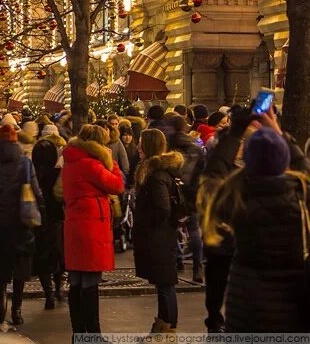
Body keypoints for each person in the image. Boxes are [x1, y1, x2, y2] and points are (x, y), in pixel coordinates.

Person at [203, 125, 310, 333]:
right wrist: (282, 134)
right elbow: (304, 170)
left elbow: (211, 179)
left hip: (247, 305)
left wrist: (233, 136)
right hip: (294, 304)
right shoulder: (300, 196)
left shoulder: (235, 196)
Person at [61, 124, 125, 334]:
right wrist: (112, 163)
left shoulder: (71, 161)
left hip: (75, 226)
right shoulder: (91, 165)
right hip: (91, 227)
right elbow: (117, 185)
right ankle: (93, 334)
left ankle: (78, 332)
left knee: (77, 281)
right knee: (89, 283)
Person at [0, 123, 42, 325]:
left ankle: (1, 302)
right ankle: (17, 309)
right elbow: (36, 191)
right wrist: (40, 213)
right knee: (20, 267)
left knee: (0, 265)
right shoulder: (25, 163)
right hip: (21, 221)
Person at [132, 129, 184, 335]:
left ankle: (167, 329)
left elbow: (162, 208)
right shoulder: (158, 172)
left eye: (141, 143)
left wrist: (146, 223)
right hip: (161, 235)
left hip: (158, 236)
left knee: (165, 284)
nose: (138, 147)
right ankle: (163, 326)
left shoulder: (156, 176)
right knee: (163, 283)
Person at [165, 113, 205, 282]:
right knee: (194, 230)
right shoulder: (195, 146)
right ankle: (198, 268)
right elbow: (203, 169)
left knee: (171, 228)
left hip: (175, 192)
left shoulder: (169, 145)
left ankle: (177, 262)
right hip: (193, 192)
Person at [32, 133, 65, 309]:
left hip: (38, 220)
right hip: (56, 219)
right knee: (58, 255)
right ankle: (58, 287)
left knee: (43, 259)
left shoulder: (32, 173)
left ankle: (49, 293)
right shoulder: (58, 172)